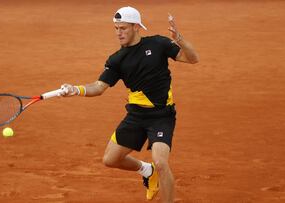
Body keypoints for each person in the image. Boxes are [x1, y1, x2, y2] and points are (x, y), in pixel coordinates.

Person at [60, 6, 198, 203]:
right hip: (135, 116)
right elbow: (98, 87)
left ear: (136, 27)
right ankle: (147, 171)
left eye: (123, 28)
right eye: (116, 28)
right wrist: (76, 89)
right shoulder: (117, 60)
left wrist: (180, 39)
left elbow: (193, 59)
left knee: (160, 162)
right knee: (110, 160)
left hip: (161, 116)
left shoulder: (159, 44)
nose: (118, 33)